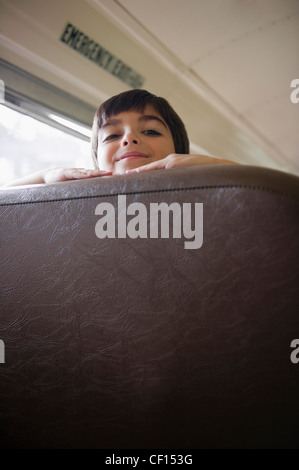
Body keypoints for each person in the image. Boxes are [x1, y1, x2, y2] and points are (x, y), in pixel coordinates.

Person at [2, 89, 237, 187]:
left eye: (151, 131)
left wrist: (210, 168)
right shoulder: (81, 203)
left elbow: (266, 194)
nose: (129, 139)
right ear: (96, 161)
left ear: (179, 152)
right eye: (112, 135)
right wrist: (44, 178)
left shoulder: (200, 197)